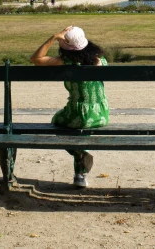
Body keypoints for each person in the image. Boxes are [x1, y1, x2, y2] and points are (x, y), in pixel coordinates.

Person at [30, 26, 109, 189]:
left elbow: (36, 59)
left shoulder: (65, 62)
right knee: (78, 128)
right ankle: (80, 174)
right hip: (101, 113)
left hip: (79, 114)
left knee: (56, 122)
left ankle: (81, 155)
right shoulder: (101, 59)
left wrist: (53, 37)